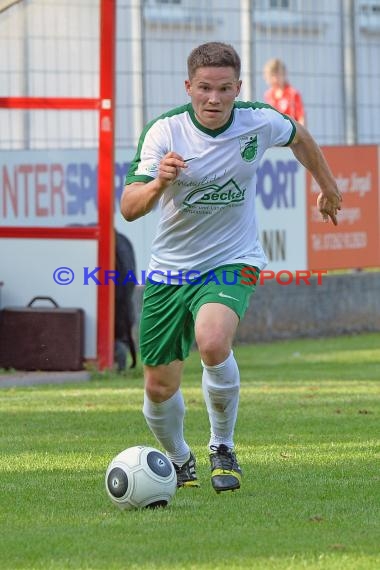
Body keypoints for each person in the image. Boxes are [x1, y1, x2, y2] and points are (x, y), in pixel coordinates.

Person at [120, 42, 341, 493]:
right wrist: (161, 181)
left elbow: (299, 136)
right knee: (159, 388)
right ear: (189, 87)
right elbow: (129, 208)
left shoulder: (257, 120)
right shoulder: (164, 132)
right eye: (204, 88)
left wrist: (329, 187)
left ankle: (223, 446)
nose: (214, 99)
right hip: (170, 271)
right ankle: (181, 461)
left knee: (213, 341)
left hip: (231, 259)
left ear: (238, 88)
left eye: (224, 89)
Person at [263, 58, 306, 125]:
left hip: (291, 132)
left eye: (278, 75)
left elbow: (301, 118)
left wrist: (301, 134)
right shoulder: (269, 95)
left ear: (284, 74)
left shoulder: (293, 94)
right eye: (272, 76)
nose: (275, 79)